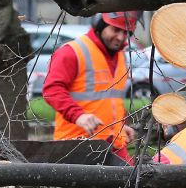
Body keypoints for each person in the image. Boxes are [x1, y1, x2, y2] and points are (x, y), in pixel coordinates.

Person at [42, 11, 137, 163]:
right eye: (115, 30)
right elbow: (52, 91)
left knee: (131, 185)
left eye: (126, 32)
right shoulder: (72, 52)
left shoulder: (120, 56)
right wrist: (78, 115)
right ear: (100, 25)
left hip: (114, 143)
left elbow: (111, 100)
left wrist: (121, 126)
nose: (120, 37)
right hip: (76, 146)